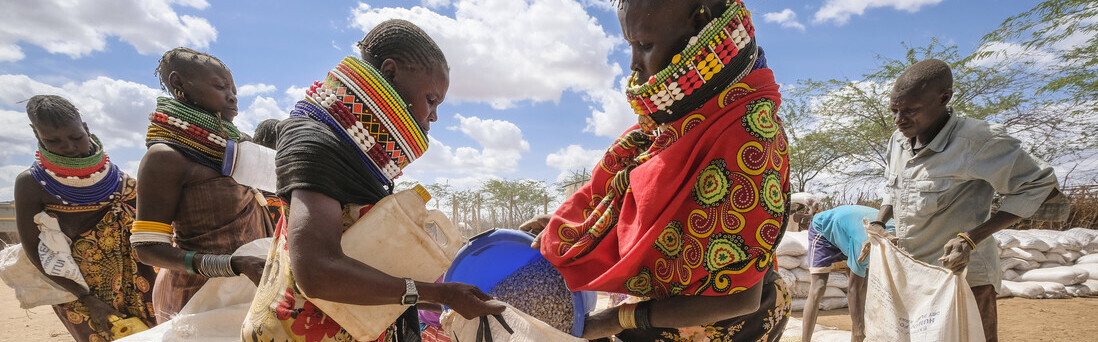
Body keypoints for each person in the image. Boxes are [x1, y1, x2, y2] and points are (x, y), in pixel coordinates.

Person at [534, 0, 792, 340]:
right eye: (631, 46)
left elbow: (741, 297)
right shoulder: (674, 127)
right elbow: (639, 205)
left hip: (730, 326)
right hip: (659, 315)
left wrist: (616, 320)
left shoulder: (748, 136)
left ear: (698, 21)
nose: (632, 63)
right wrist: (575, 226)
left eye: (644, 45)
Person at [242, 19, 504, 342]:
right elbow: (317, 272)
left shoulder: (352, 156)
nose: (434, 115)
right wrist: (440, 294)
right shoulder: (317, 142)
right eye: (431, 99)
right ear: (391, 72)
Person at [871, 59, 1060, 342]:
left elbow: (1039, 184)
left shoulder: (978, 141)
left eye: (909, 110)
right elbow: (893, 185)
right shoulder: (898, 141)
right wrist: (878, 221)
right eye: (895, 111)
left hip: (964, 277)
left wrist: (971, 238)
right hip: (918, 274)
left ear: (944, 98)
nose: (899, 120)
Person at [132, 47, 272, 323]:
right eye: (220, 87)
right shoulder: (165, 158)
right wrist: (229, 265)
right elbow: (146, 248)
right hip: (200, 301)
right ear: (178, 84)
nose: (232, 96)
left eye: (233, 89)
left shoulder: (236, 150)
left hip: (250, 289)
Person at [13, 95, 157, 341]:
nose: (68, 147)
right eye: (53, 141)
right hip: (80, 291)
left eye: (76, 137)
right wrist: (86, 298)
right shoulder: (31, 184)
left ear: (87, 129)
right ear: (37, 136)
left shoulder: (117, 177)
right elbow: (34, 249)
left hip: (141, 282)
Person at [796, 198, 891, 342]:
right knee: (819, 287)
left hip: (848, 231)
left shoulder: (896, 234)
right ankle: (805, 340)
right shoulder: (865, 243)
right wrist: (859, 330)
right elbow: (853, 289)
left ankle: (856, 336)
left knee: (863, 283)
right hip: (823, 229)